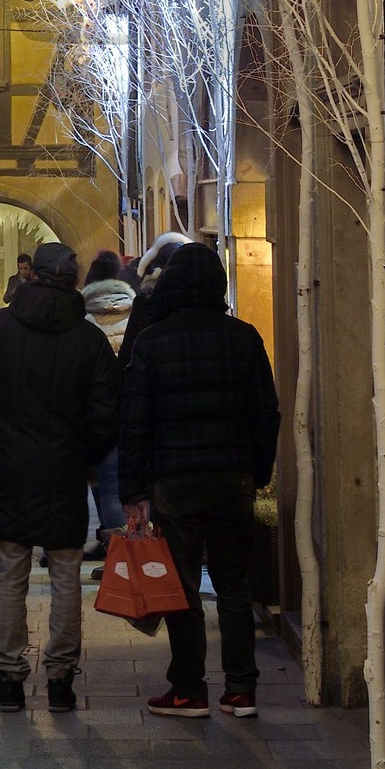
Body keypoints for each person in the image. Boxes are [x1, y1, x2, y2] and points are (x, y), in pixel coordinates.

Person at [0, 241, 121, 713]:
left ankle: (9, 677)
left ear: (31, 275)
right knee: (66, 574)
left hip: (7, 469)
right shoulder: (87, 339)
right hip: (64, 472)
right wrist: (84, 455)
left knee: (11, 574)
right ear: (73, 281)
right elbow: (107, 411)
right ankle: (61, 678)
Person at [118, 241, 281, 721]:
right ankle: (241, 690)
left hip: (174, 480)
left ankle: (188, 689)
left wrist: (133, 491)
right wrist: (259, 470)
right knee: (234, 584)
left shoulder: (152, 341)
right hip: (233, 478)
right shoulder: (244, 336)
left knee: (183, 588)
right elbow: (265, 413)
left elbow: (135, 423)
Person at [81, 250, 136, 556]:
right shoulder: (134, 312)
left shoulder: (85, 319)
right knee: (124, 487)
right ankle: (121, 548)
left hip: (99, 412)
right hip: (131, 409)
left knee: (106, 486)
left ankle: (118, 556)